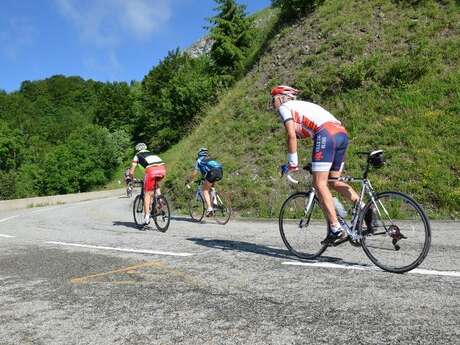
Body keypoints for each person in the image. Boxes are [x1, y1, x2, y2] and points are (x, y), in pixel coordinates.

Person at [271, 85, 363, 244]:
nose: (273, 104)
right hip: (341, 132)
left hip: (326, 134)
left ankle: (335, 228)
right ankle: (364, 208)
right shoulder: (304, 106)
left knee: (319, 183)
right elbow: (304, 132)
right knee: (333, 181)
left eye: (273, 100)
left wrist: (292, 164)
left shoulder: (285, 107)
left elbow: (291, 135)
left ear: (281, 97)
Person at [129, 143, 166, 226]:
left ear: (137, 150)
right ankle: (160, 199)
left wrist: (132, 180)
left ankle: (146, 218)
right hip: (162, 169)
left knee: (147, 194)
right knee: (155, 185)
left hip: (151, 171)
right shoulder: (151, 153)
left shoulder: (137, 155)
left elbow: (131, 171)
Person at [187, 148, 223, 216]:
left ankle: (209, 208)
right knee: (211, 187)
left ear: (199, 154)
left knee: (205, 190)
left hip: (212, 172)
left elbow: (195, 173)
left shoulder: (199, 160)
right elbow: (205, 174)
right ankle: (214, 204)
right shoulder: (210, 158)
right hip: (220, 170)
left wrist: (189, 180)